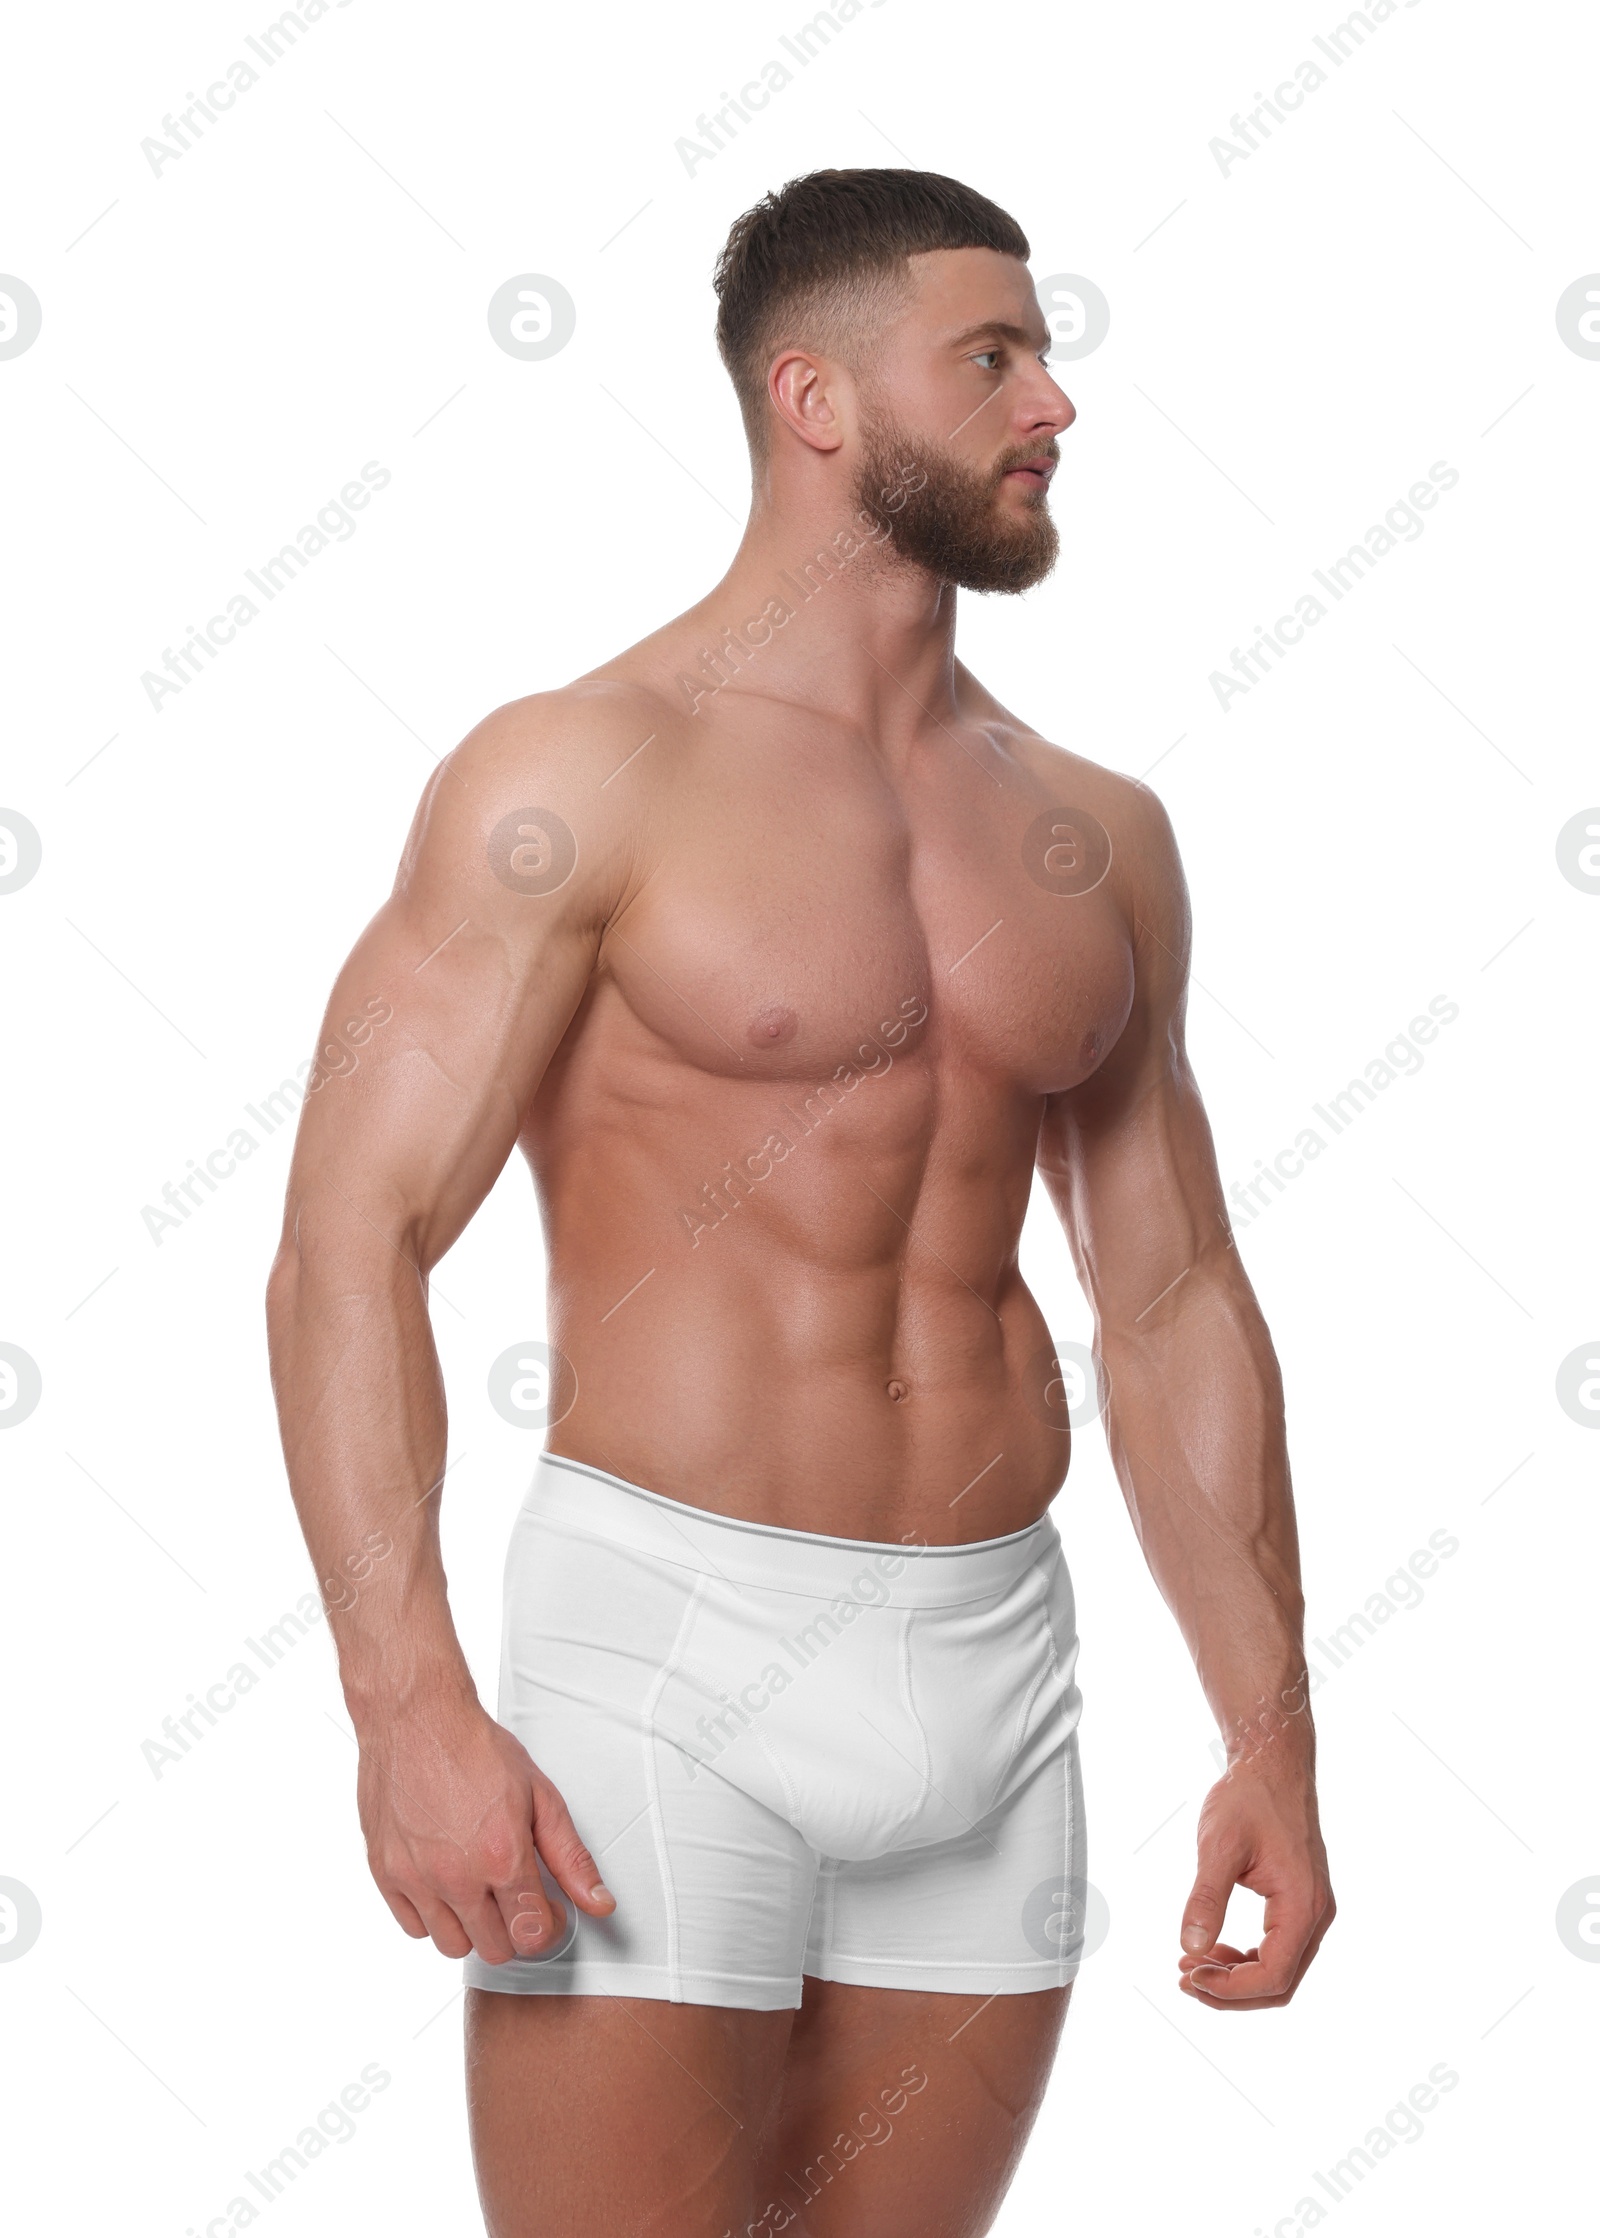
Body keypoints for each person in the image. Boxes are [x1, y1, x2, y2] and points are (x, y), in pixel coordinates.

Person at [267, 167, 1334, 2238]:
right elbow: (348, 1242)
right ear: (816, 401)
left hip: (995, 1677)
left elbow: (1173, 1295)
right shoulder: (576, 772)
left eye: (1043, 354)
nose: (1054, 406)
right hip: (664, 1658)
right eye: (994, 357)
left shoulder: (1088, 835)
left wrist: (1268, 1736)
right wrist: (406, 1704)